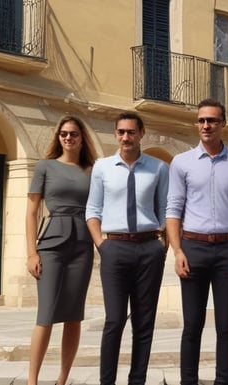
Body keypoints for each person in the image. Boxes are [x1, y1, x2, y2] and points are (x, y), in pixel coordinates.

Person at [165, 98, 228, 385]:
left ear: (223, 124)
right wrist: (177, 251)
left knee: (227, 324)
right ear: (197, 124)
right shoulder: (181, 163)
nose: (206, 125)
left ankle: (223, 381)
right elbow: (173, 210)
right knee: (192, 324)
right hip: (194, 248)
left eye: (212, 120)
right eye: (202, 120)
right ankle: (188, 381)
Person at [86, 112, 169, 385]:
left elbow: (166, 210)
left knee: (144, 323)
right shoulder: (102, 167)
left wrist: (162, 246)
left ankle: (138, 381)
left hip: (149, 249)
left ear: (141, 133)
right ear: (115, 134)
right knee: (114, 320)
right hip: (115, 249)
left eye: (131, 132)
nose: (125, 137)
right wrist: (102, 244)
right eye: (121, 132)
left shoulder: (158, 168)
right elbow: (93, 210)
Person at [26, 115, 98, 385]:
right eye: (64, 134)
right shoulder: (45, 167)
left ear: (82, 138)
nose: (68, 138)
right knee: (45, 314)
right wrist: (31, 253)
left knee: (73, 315)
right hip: (51, 244)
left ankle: (62, 380)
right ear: (58, 137)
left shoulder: (92, 170)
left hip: (82, 245)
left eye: (74, 134)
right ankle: (31, 380)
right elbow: (31, 211)